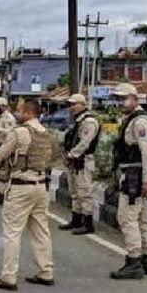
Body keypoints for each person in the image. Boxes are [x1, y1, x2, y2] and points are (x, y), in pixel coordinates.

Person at [0, 98, 55, 291]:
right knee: (41, 230)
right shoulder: (46, 134)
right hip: (41, 185)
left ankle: (9, 277)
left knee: (12, 232)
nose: (17, 113)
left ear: (27, 113)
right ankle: (46, 271)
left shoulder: (19, 132)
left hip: (20, 186)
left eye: (19, 110)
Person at [109, 83, 147, 280]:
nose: (121, 102)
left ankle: (134, 261)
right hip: (137, 174)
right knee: (143, 218)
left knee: (127, 218)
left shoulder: (139, 122)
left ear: (135, 98)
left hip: (135, 175)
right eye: (118, 99)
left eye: (124, 98)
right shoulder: (132, 119)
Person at [60, 94, 100, 235]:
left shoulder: (89, 122)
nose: (72, 107)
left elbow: (85, 143)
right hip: (74, 161)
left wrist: (72, 154)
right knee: (75, 192)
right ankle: (76, 219)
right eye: (70, 104)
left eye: (74, 104)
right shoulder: (77, 121)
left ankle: (88, 223)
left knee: (84, 192)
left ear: (83, 105)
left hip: (84, 160)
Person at [0, 97, 17, 205]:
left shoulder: (9, 118)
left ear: (4, 106)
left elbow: (11, 133)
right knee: (1, 171)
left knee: (5, 172)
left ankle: (5, 195)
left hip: (6, 146)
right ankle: (1, 194)